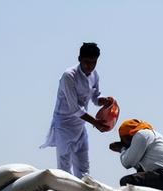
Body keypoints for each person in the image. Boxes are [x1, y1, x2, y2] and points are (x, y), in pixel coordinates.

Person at [41, 42, 113, 178]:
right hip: (64, 125)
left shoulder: (94, 75)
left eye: (93, 63)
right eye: (86, 62)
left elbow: (95, 97)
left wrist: (104, 100)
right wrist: (95, 122)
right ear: (79, 59)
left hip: (80, 126)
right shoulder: (69, 76)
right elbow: (74, 108)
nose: (89, 66)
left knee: (84, 170)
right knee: (64, 169)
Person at [109, 119, 163, 191]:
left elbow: (127, 163)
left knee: (127, 181)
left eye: (123, 140)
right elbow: (138, 166)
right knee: (140, 172)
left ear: (128, 136)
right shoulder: (151, 135)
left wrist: (122, 149)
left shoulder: (141, 135)